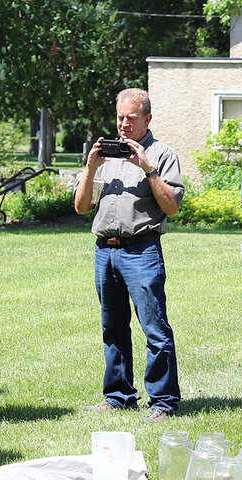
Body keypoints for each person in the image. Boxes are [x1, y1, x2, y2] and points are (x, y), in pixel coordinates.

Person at [74, 88, 184, 423]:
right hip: (105, 253)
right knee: (113, 327)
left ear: (147, 119)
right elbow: (81, 207)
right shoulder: (106, 159)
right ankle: (118, 396)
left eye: (131, 118)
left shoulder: (162, 154)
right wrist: (91, 168)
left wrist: (148, 168)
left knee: (154, 328)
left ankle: (163, 401)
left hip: (142, 251)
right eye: (120, 117)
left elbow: (172, 207)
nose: (123, 124)